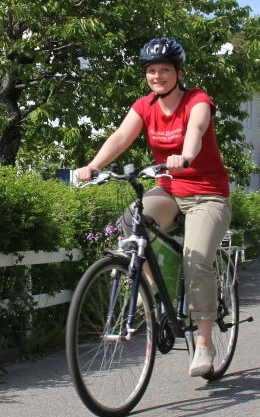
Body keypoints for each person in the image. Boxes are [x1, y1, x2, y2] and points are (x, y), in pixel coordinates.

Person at [75, 38, 232, 377]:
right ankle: (153, 296)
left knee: (197, 259)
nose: (157, 76)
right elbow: (120, 137)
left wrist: (186, 156)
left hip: (207, 194)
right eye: (151, 71)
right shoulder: (144, 106)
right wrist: (93, 165)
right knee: (133, 219)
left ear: (178, 72)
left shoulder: (197, 100)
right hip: (169, 189)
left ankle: (203, 343)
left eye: (164, 70)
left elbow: (197, 129)